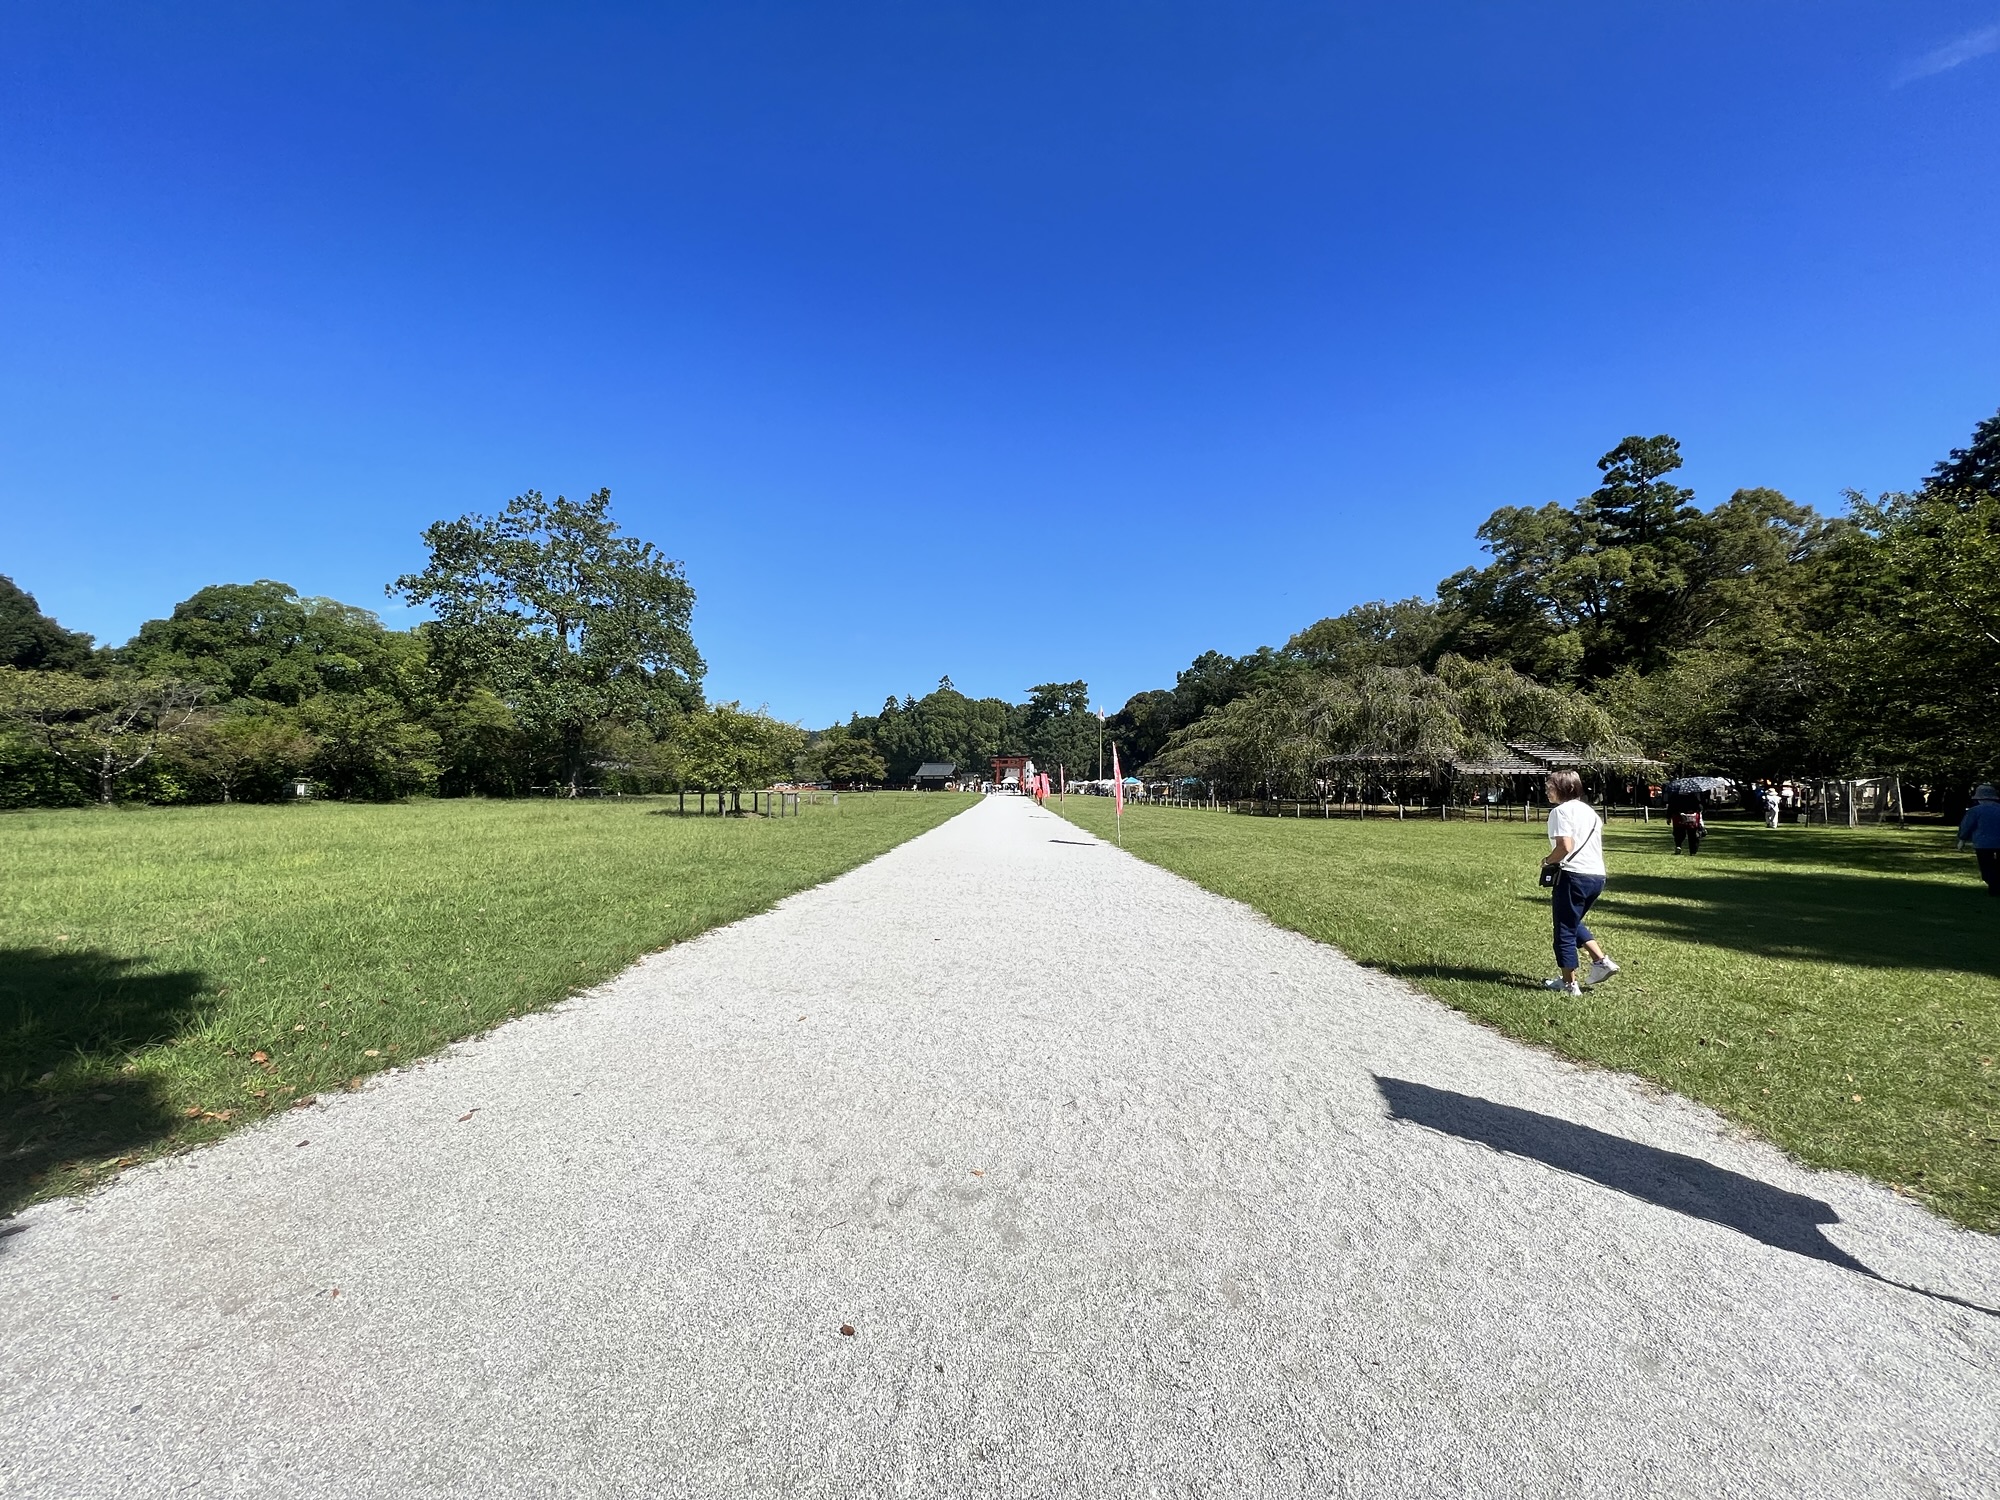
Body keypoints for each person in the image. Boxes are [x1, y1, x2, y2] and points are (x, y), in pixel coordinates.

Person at [1539, 769, 1620, 996]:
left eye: (1550, 786)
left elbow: (1565, 846)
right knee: (1571, 921)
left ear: (1563, 788)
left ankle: (1568, 984)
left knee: (1564, 930)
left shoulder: (1560, 812)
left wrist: (1547, 861)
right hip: (1597, 876)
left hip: (1573, 876)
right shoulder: (1590, 812)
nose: (1547, 790)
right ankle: (1601, 961)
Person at [1959, 784, 2000, 897]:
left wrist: (1962, 839)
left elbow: (1967, 826)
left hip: (1983, 843)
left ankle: (1994, 887)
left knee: (1986, 866)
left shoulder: (1975, 811)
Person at [1665, 782, 1706, 855]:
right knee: (1693, 834)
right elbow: (1699, 807)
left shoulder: (1675, 795)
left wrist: (1668, 817)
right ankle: (1693, 851)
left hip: (1678, 816)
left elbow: (1671, 806)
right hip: (1691, 817)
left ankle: (1678, 845)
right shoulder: (1692, 795)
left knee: (1678, 833)